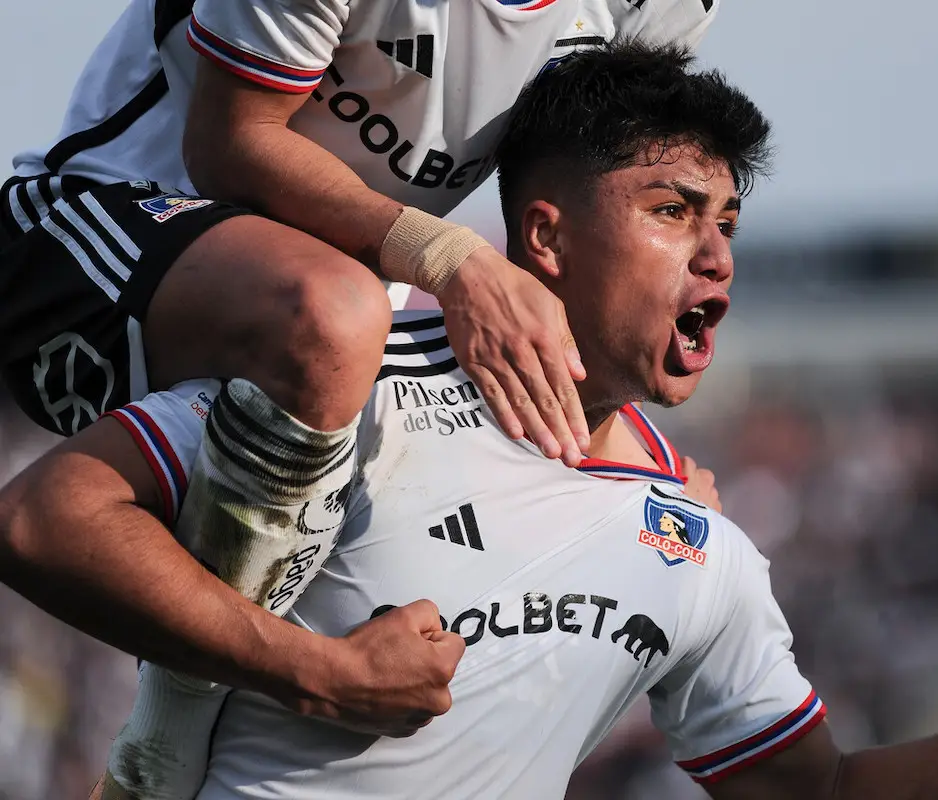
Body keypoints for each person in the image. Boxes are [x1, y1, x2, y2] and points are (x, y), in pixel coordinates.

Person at [4, 42, 938, 800]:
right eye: (672, 210)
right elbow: (43, 520)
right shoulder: (351, 369)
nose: (716, 255)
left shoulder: (693, 538)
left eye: (730, 224)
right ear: (544, 238)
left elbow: (823, 792)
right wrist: (319, 672)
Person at [0, 0, 721, 756]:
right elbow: (231, 141)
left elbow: (599, 207)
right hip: (99, 236)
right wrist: (451, 261)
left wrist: (639, 467)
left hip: (347, 303)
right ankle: (167, 739)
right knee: (333, 317)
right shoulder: (352, 300)